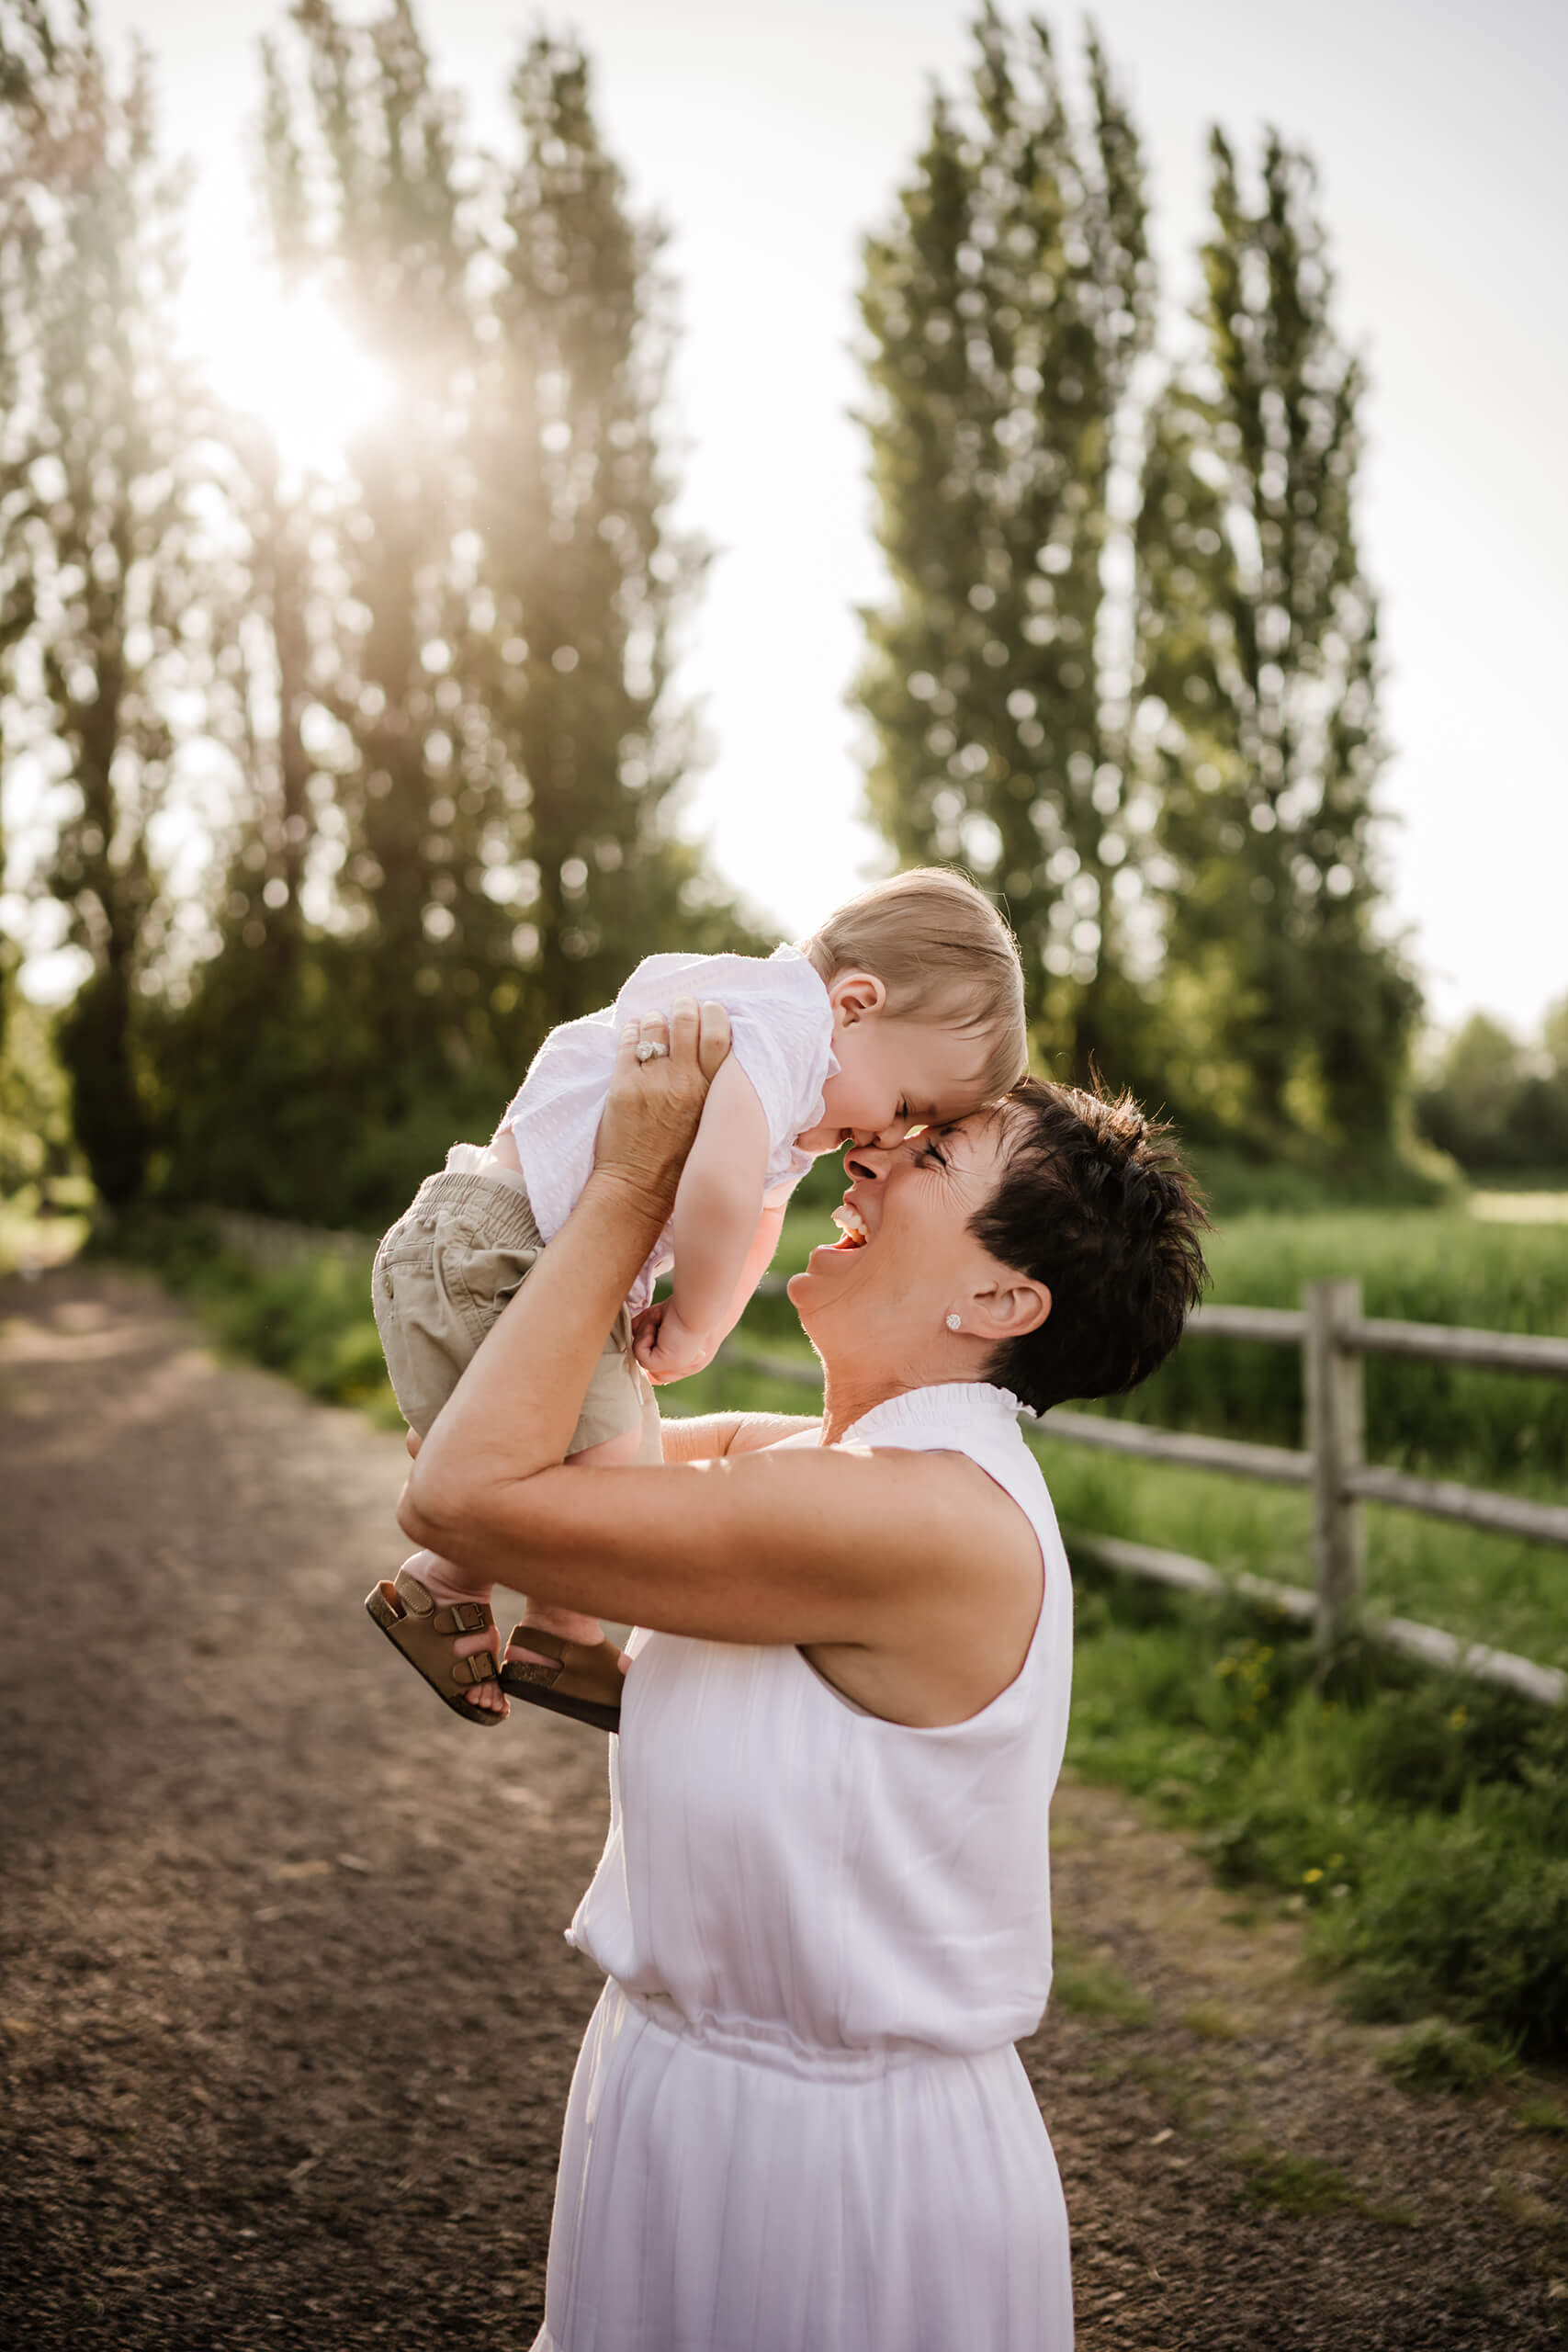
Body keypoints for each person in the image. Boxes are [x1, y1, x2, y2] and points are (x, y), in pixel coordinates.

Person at [398, 998, 1210, 2352]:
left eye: (930, 1154)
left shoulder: (915, 1520)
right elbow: (529, 1461)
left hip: (834, 2185)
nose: (866, 1152)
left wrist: (628, 1176)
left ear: (1001, 1299)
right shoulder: (816, 1464)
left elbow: (468, 1493)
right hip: (668, 2112)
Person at [367, 868, 1026, 1728]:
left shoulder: (793, 1068)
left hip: (509, 1254)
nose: (888, 1136)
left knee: (611, 1452)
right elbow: (717, 1188)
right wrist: (695, 1318)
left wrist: (706, 1324)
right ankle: (542, 1626)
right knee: (610, 1480)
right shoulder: (779, 1029)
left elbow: (760, 1206)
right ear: (855, 1003)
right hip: (497, 1247)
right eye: (906, 1104)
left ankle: (469, 1594)